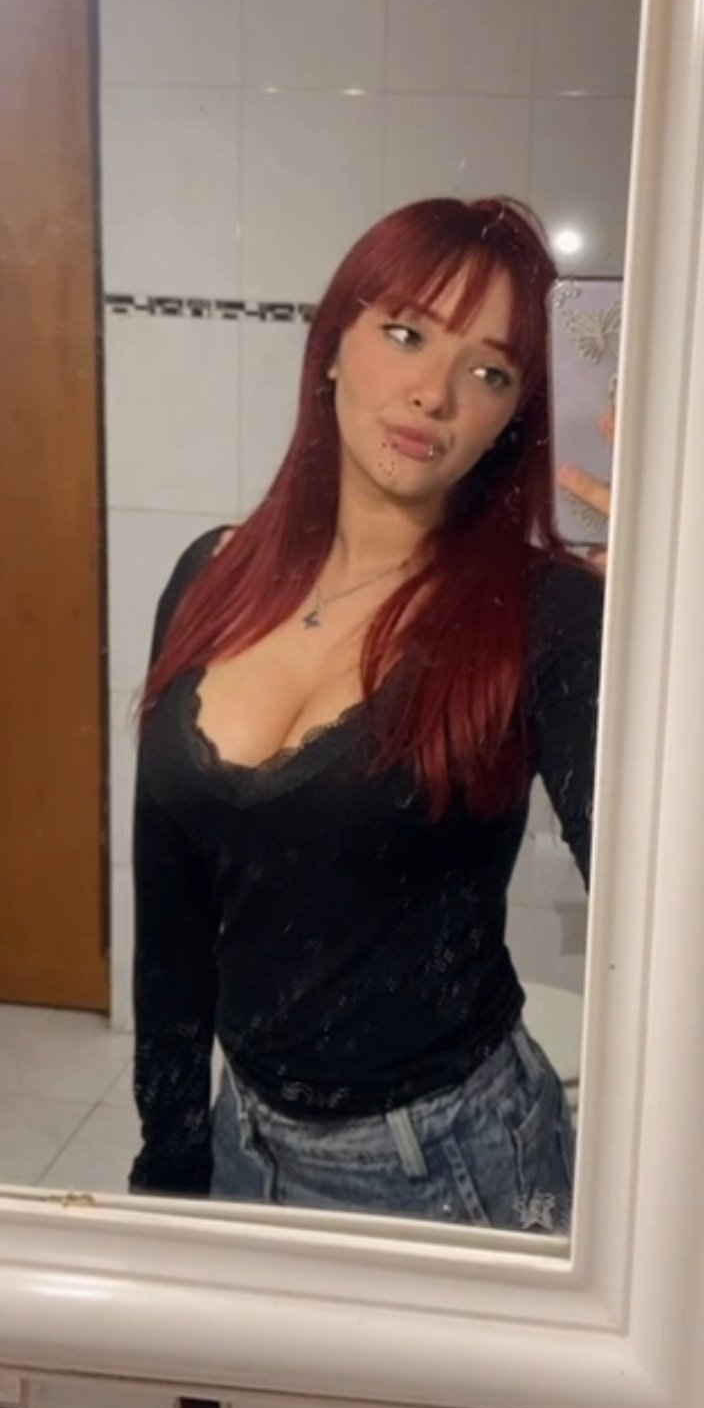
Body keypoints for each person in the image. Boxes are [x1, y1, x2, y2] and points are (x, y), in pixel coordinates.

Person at [129, 195, 608, 1235]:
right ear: (334, 344)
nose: (434, 392)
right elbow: (169, 906)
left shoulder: (546, 614)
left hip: (457, 1167)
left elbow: (651, 904)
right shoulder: (210, 575)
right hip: (243, 1140)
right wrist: (170, 1154)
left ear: (514, 418)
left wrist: (664, 634)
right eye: (405, 333)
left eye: (490, 372)